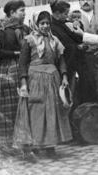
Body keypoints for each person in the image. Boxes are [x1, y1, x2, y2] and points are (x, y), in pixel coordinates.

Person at [14, 11, 72, 159]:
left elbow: (61, 60)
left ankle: (50, 146)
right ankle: (36, 145)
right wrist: (23, 83)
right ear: (36, 24)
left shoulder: (55, 41)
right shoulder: (29, 40)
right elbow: (22, 64)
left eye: (47, 23)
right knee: (36, 111)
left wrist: (65, 76)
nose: (45, 26)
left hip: (53, 80)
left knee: (52, 111)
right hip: (35, 80)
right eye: (42, 23)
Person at [0, 0, 30, 149]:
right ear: (11, 13)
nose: (24, 13)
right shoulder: (0, 29)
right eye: (21, 11)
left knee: (24, 105)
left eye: (24, 10)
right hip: (8, 70)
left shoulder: (26, 29)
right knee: (8, 108)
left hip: (24, 68)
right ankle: (7, 144)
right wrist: (16, 53)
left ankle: (24, 142)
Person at [77, 0, 98, 102]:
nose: (86, 1)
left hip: (97, 58)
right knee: (84, 89)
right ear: (79, 2)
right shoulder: (74, 18)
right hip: (82, 59)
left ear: (94, 1)